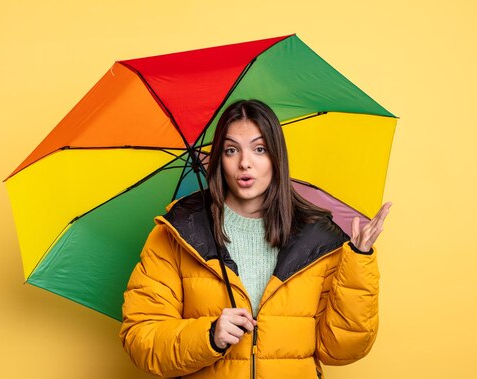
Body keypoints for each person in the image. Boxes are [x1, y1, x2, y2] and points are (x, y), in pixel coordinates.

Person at [119, 99, 391, 378]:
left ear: (276, 157)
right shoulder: (177, 234)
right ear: (219, 160)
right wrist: (209, 335)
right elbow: (141, 338)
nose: (244, 163)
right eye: (231, 150)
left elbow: (341, 349)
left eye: (259, 149)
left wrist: (358, 262)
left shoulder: (316, 239)